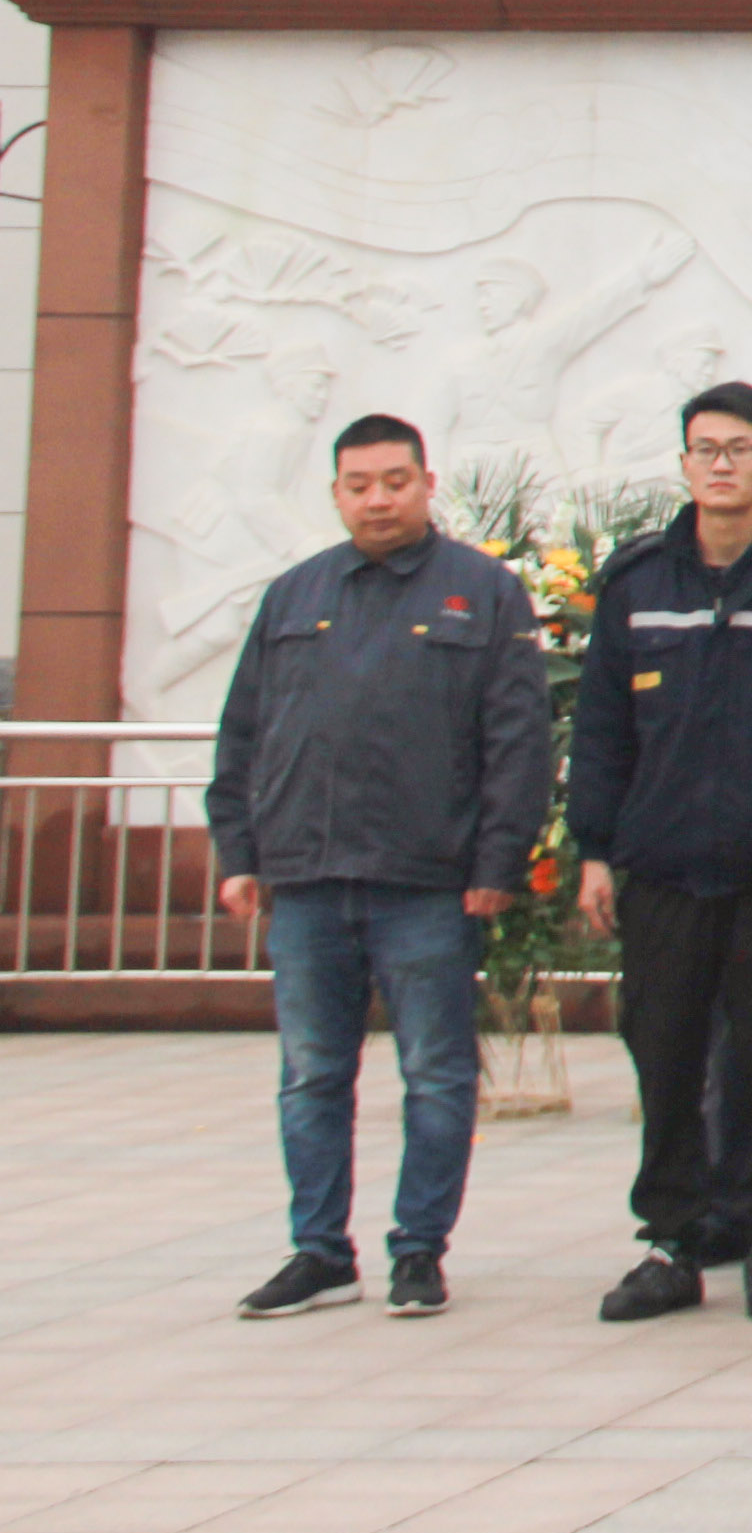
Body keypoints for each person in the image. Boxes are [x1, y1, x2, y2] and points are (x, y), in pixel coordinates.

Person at [206, 412, 552, 1320]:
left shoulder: (480, 593)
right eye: (358, 485)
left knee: (436, 1074)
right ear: (335, 493)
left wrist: (497, 861)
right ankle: (319, 1251)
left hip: (428, 883)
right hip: (308, 881)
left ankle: (418, 1249)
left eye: (394, 481)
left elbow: (516, 742)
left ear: (426, 484)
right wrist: (239, 853)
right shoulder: (294, 594)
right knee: (311, 1074)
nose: (377, 498)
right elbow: (243, 732)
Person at [569, 379, 752, 1325]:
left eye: (741, 449)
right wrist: (596, 851)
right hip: (661, 866)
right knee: (665, 1053)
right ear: (685, 462)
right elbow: (603, 726)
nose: (723, 465)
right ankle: (670, 1240)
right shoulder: (639, 580)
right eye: (707, 449)